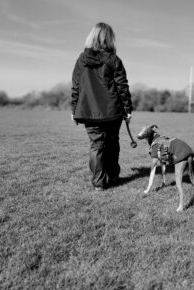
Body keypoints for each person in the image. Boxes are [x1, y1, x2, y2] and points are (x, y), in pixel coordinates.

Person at [70, 22, 133, 191]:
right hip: (113, 110)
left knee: (96, 145)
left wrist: (73, 108)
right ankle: (112, 177)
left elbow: (76, 85)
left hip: (89, 110)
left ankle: (99, 183)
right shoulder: (114, 59)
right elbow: (122, 87)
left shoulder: (81, 60)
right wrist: (127, 109)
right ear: (109, 39)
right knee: (112, 144)